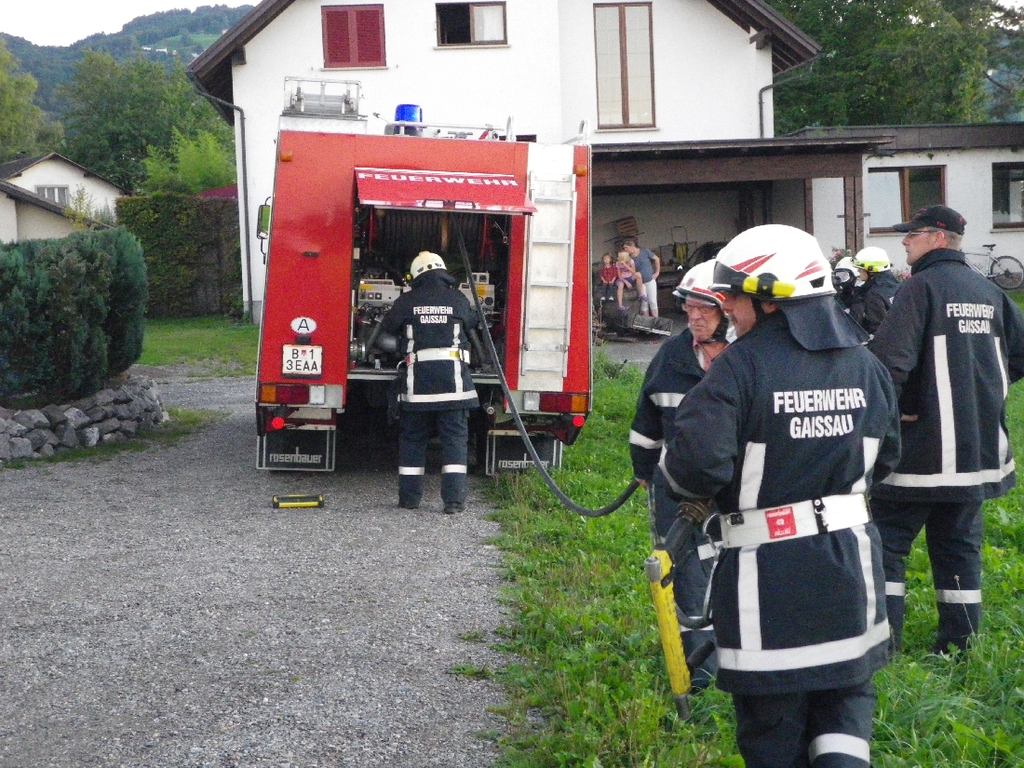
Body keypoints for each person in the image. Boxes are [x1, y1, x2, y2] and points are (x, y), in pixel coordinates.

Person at [660, 224, 901, 767]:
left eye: (734, 296)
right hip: (851, 572)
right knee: (844, 710)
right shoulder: (867, 365)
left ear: (771, 299)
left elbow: (693, 470)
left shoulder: (738, 368)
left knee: (772, 729)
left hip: (766, 582)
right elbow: (886, 458)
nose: (727, 308)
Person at [868, 205, 1024, 654]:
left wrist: (898, 411)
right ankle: (960, 646)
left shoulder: (919, 289)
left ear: (937, 238)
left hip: (919, 458)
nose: (904, 241)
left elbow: (887, 366)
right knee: (958, 549)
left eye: (911, 234)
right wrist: (983, 394)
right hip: (976, 456)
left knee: (888, 545)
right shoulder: (988, 291)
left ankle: (886, 644)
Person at [629, 260, 728, 689]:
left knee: (734, 568)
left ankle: (741, 661)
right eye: (688, 307)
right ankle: (700, 670)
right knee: (683, 571)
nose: (694, 317)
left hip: (737, 490)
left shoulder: (751, 357)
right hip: (678, 488)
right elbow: (647, 418)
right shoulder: (672, 355)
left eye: (705, 308)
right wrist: (644, 469)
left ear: (730, 311)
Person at [381, 251, 482, 514]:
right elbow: (475, 322)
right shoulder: (458, 299)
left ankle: (409, 499)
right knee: (455, 442)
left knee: (413, 441)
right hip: (454, 388)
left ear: (415, 275)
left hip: (418, 388)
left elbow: (386, 331)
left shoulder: (406, 301)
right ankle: (454, 502)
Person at [848, 247, 900, 336]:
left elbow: (878, 329)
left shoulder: (873, 295)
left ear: (871, 271)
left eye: (860, 269)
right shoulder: (896, 286)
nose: (858, 271)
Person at [624, 238, 661, 317]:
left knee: (653, 301)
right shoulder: (628, 258)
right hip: (640, 282)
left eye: (626, 248)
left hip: (650, 279)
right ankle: (646, 321)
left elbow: (657, 259)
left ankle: (656, 320)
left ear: (632, 246)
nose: (625, 250)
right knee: (644, 302)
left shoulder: (645, 251)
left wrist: (657, 272)